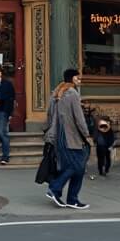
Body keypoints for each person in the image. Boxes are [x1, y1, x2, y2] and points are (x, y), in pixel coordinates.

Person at [44, 68, 93, 210]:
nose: (80, 81)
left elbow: (49, 115)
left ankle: (72, 199)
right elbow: (79, 118)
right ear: (72, 79)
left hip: (59, 135)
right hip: (71, 136)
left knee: (77, 167)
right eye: (78, 78)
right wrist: (86, 134)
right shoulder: (72, 94)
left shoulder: (56, 92)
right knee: (76, 166)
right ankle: (55, 188)